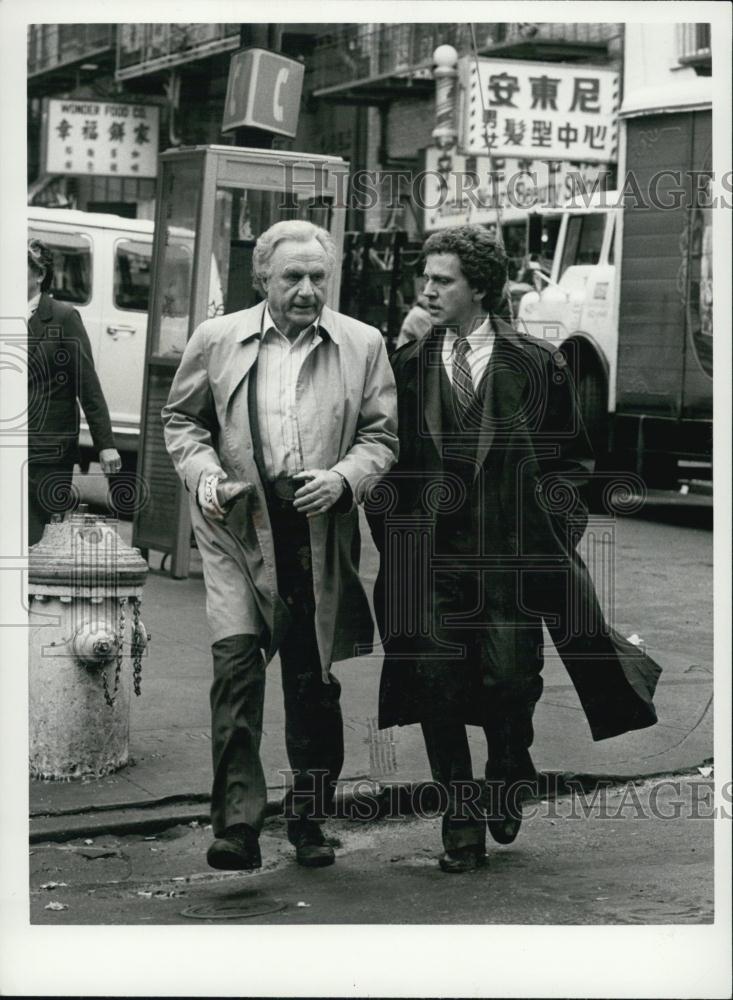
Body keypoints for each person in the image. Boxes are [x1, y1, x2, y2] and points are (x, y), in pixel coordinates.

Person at [367, 225, 662, 873]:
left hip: (509, 558)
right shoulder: (409, 365)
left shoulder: (535, 363)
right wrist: (398, 540)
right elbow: (386, 462)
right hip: (431, 562)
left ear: (480, 287)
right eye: (427, 277)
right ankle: (459, 815)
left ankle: (508, 763)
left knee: (508, 681)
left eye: (443, 279)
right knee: (435, 687)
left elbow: (569, 465)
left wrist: (549, 537)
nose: (428, 288)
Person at [162, 220, 398, 871]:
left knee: (311, 682)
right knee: (236, 671)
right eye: (291, 276)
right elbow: (182, 420)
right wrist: (205, 475)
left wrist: (345, 479)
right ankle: (237, 826)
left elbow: (382, 436)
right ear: (261, 278)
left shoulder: (362, 344)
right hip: (238, 527)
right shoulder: (216, 340)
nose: (305, 289)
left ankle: (309, 819)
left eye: (317, 277)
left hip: (314, 531)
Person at [27, 238, 121, 545]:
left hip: (48, 451)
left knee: (37, 542)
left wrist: (104, 444)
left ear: (39, 274)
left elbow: (87, 384)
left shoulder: (63, 318)